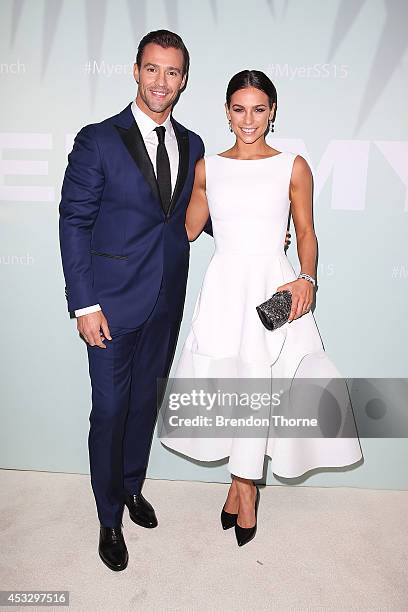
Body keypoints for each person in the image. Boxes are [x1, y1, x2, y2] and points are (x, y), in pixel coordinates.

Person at [160, 70, 363, 547]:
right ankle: (240, 484)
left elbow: (307, 232)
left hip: (273, 284)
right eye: (238, 109)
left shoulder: (293, 165)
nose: (248, 119)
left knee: (263, 385)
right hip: (226, 283)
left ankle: (245, 489)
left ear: (272, 111)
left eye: (258, 109)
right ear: (226, 111)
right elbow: (189, 228)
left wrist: (306, 277)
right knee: (233, 386)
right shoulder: (208, 167)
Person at [59, 30, 220, 571]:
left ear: (183, 81)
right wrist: (84, 305)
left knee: (143, 406)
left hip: (166, 300)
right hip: (107, 305)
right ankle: (108, 518)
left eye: (173, 73)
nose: (162, 82)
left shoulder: (194, 144)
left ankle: (131, 486)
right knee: (109, 410)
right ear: (135, 71)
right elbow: (74, 222)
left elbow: (191, 216)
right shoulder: (97, 139)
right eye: (153, 69)